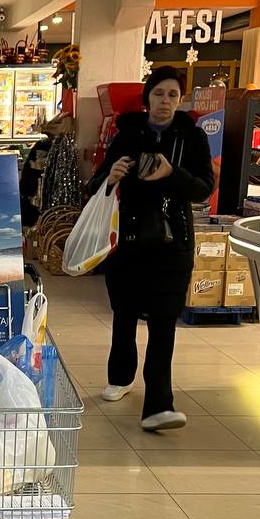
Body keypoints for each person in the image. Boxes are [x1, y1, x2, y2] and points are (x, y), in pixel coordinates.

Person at [87, 65, 214, 431]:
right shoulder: (127, 134)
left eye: (173, 95)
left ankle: (159, 404)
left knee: (163, 323)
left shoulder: (192, 137)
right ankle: (121, 376)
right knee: (124, 314)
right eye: (159, 93)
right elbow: (95, 185)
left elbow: (204, 188)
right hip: (126, 242)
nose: (165, 101)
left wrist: (172, 173)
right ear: (147, 98)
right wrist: (109, 177)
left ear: (180, 99)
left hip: (172, 244)